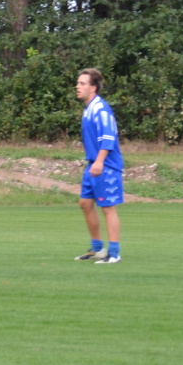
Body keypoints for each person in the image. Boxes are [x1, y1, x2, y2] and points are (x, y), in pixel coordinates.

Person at [74, 68, 123, 264]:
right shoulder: (89, 109)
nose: (78, 87)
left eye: (82, 83)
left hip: (105, 165)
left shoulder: (101, 109)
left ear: (93, 88)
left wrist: (100, 161)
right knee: (85, 204)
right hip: (93, 164)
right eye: (78, 83)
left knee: (108, 208)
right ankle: (97, 249)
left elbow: (108, 137)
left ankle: (114, 253)